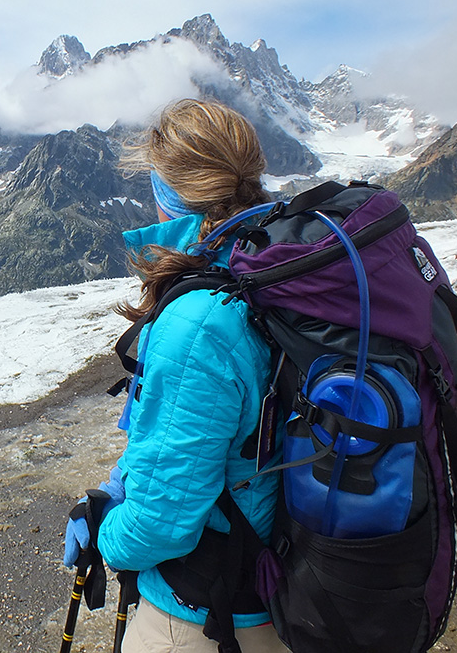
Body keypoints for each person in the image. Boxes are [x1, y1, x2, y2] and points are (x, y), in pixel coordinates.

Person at [64, 99, 288, 652]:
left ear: (171, 196)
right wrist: (124, 479)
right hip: (286, 573)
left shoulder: (199, 320)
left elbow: (162, 524)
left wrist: (104, 539)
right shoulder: (278, 265)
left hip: (208, 611)